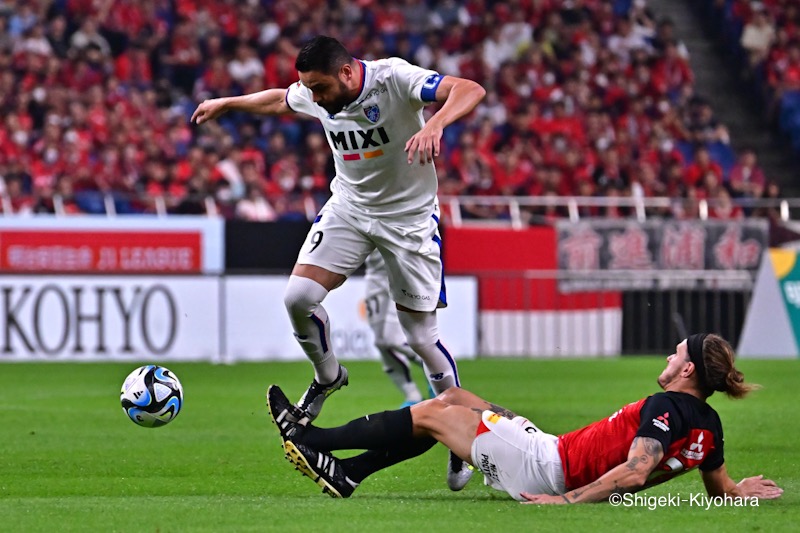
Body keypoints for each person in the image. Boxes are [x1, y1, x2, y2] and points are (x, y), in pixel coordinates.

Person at [192, 35, 486, 490]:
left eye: (321, 88)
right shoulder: (318, 94)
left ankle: (460, 437)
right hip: (350, 209)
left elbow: (470, 88)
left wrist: (435, 124)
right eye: (309, 89)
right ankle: (328, 376)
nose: (315, 98)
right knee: (298, 297)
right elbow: (277, 101)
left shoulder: (394, 78)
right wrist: (228, 103)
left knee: (421, 339)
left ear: (347, 73)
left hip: (408, 222)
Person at [266, 333, 784, 502]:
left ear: (687, 369)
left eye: (673, 357)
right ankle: (350, 474)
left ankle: (312, 436)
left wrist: (565, 500)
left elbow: (636, 470)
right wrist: (742, 491)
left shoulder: (666, 408)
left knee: (431, 412)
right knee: (459, 400)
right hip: (548, 449)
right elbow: (717, 486)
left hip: (546, 470)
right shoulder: (708, 425)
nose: (666, 362)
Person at [363, 249, 427, 407]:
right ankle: (413, 396)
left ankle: (434, 367)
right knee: (381, 342)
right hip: (375, 276)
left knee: (392, 339)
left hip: (401, 272)